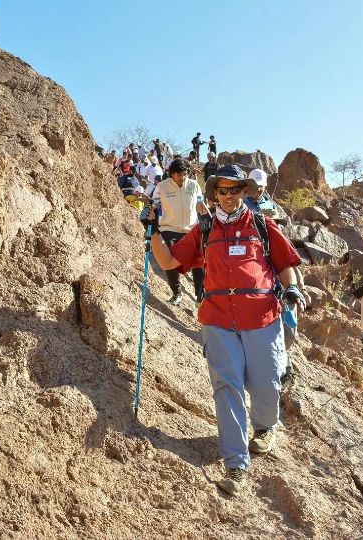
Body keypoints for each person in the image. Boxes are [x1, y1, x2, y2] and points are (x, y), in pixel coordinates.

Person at [140, 164, 308, 496]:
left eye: (235, 190)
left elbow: (285, 264)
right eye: (223, 190)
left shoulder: (261, 224)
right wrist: (153, 230)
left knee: (266, 382)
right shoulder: (203, 229)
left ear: (245, 191)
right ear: (215, 193)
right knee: (226, 387)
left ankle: (264, 427)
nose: (229, 196)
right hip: (217, 318)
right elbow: (171, 262)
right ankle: (235, 464)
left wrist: (291, 289)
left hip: (262, 316)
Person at [152, 159, 207, 306]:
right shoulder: (161, 186)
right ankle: (176, 293)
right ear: (171, 174)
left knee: (198, 263)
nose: (182, 177)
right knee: (170, 261)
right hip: (169, 228)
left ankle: (199, 296)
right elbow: (155, 206)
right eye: (179, 175)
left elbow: (200, 205)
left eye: (185, 174)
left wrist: (208, 220)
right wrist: (152, 222)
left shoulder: (194, 185)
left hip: (191, 229)